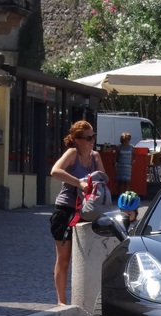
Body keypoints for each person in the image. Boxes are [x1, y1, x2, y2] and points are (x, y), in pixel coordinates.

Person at [49, 120, 106, 305]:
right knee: (64, 259)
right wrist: (79, 182)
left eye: (93, 136)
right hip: (66, 209)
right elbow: (55, 171)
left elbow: (103, 180)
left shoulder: (95, 156)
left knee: (90, 255)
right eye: (88, 137)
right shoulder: (72, 153)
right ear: (77, 139)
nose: (92, 141)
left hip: (87, 211)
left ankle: (90, 299)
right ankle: (62, 302)